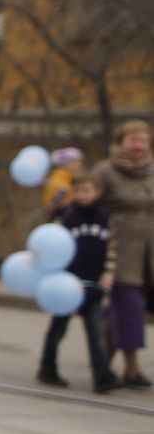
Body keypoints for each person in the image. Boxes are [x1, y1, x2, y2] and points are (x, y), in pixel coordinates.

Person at [38, 171, 119, 392]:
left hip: (92, 286)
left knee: (96, 333)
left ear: (98, 192)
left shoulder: (104, 218)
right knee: (57, 330)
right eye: (78, 191)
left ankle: (101, 375)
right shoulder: (67, 215)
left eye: (87, 191)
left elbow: (111, 251)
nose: (82, 195)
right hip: (66, 285)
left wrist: (108, 276)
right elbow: (51, 244)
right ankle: (47, 368)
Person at [94, 119, 153, 389]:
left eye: (142, 140)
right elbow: (88, 203)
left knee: (120, 311)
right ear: (120, 144)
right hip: (119, 251)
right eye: (132, 140)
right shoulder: (105, 172)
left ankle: (102, 362)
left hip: (149, 253)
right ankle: (131, 367)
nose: (138, 146)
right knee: (129, 308)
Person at [43, 146, 84, 212]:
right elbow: (51, 204)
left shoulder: (72, 177)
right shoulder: (59, 179)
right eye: (76, 161)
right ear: (66, 163)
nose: (80, 164)